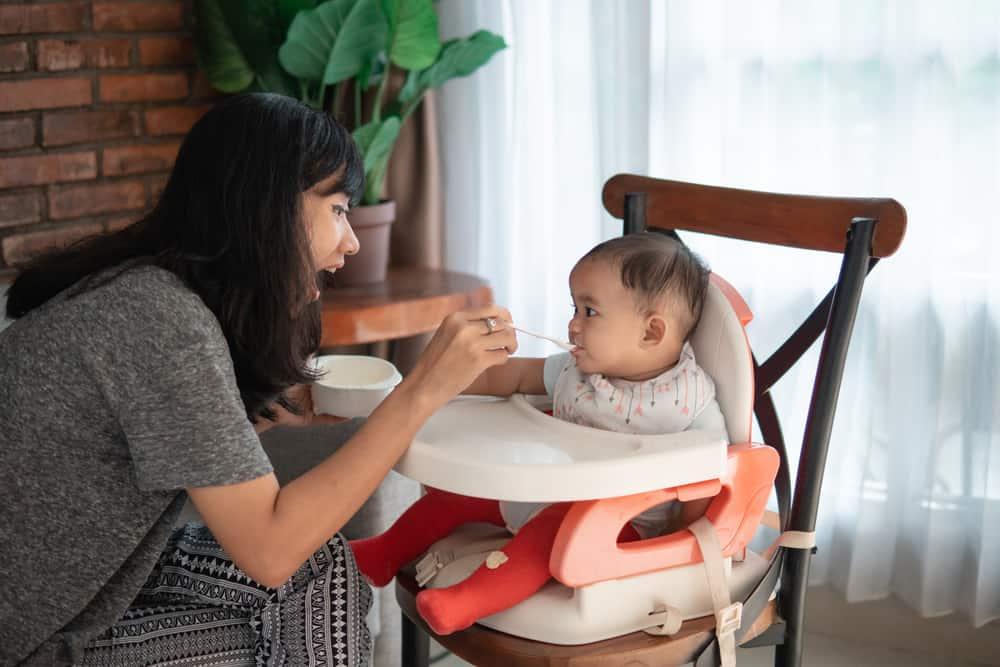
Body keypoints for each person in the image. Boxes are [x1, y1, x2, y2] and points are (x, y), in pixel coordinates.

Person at [0, 93, 517, 666]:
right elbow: (269, 549)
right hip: (37, 636)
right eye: (339, 209)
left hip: (93, 587)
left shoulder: (146, 294)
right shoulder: (156, 320)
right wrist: (420, 393)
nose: (352, 241)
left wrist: (281, 405)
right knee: (306, 583)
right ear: (269, 208)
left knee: (324, 573)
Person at [350, 232, 728, 635]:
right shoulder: (577, 372)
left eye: (590, 312)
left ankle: (467, 600)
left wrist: (675, 542)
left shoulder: (687, 399)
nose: (573, 324)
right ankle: (385, 552)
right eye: (575, 308)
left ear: (651, 333)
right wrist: (440, 378)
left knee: (545, 538)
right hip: (543, 490)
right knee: (456, 498)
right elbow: (513, 377)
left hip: (615, 524)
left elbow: (706, 467)